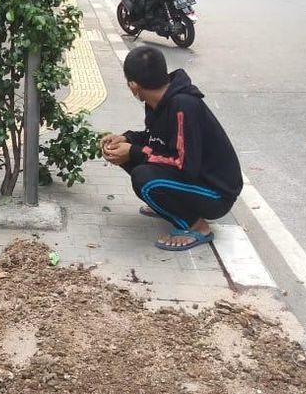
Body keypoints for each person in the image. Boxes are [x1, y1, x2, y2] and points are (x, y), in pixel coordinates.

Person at [101, 47, 242, 251]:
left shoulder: (183, 106)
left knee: (143, 178)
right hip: (194, 179)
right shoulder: (157, 101)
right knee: (128, 157)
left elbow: (184, 165)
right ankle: (170, 203)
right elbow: (156, 140)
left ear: (133, 86)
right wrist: (125, 139)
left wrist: (132, 151)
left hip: (216, 194)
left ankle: (196, 226)